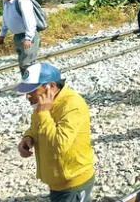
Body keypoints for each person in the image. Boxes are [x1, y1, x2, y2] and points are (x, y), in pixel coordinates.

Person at [16, 62, 95, 201]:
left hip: (73, 182)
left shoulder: (72, 105)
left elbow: (59, 145)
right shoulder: (46, 102)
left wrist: (43, 113)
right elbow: (37, 125)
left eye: (32, 90)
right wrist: (29, 137)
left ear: (51, 86)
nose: (27, 96)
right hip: (58, 181)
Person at [0, 0, 41, 75]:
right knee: (23, 63)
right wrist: (2, 34)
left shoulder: (22, 0)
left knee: (27, 64)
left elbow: (30, 21)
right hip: (17, 37)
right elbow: (5, 18)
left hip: (26, 37)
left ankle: (32, 85)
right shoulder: (5, 1)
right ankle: (28, 84)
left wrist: (28, 38)